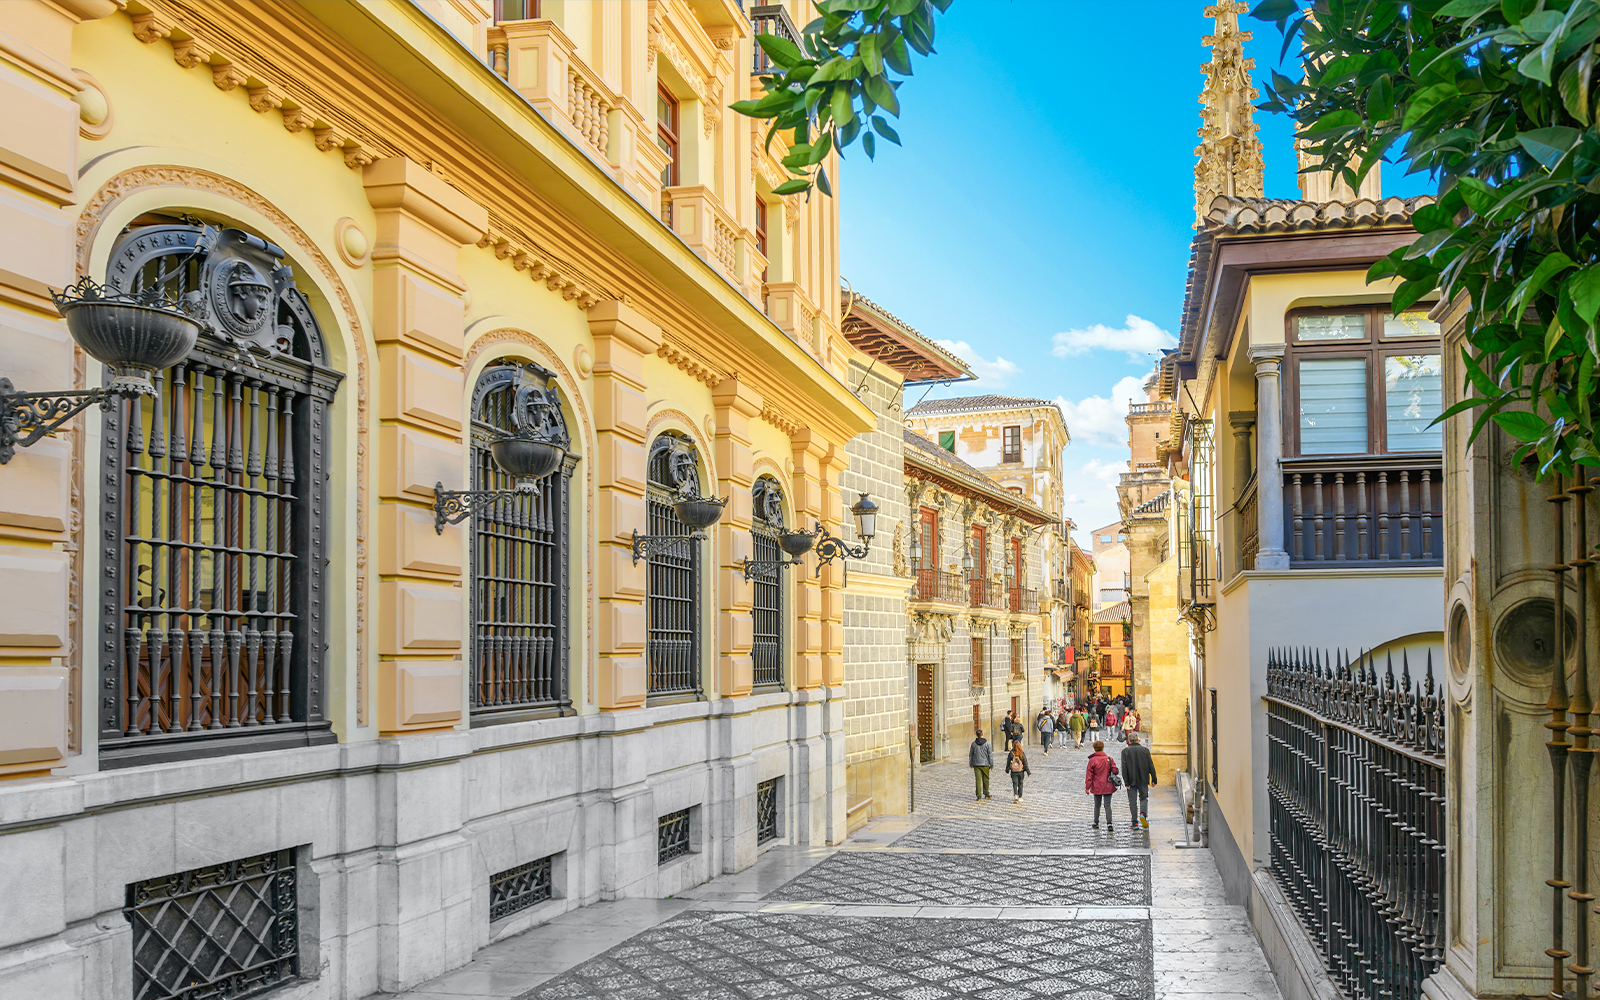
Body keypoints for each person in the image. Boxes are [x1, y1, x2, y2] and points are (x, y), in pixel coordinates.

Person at [1120, 732, 1157, 829]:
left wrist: (1126, 782)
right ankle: (1143, 814)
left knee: (1132, 801)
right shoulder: (1145, 750)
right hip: (1143, 778)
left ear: (1129, 741)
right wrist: (1154, 779)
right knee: (1144, 798)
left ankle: (1135, 823)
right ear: (1138, 740)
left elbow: (1124, 768)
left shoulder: (1125, 752)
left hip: (1131, 780)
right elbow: (1150, 765)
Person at [1085, 740, 1119, 830]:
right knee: (1107, 805)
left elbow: (1089, 775)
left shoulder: (1092, 760)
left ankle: (1096, 822)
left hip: (1097, 786)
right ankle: (1109, 823)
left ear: (1094, 748)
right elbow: (1116, 771)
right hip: (1108, 785)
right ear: (1103, 748)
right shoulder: (1109, 759)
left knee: (1097, 805)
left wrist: (1087, 787)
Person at [969, 728, 994, 801]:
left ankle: (979, 796)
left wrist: (971, 763)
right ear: (982, 735)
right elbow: (990, 755)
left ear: (976, 735)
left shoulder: (973, 744)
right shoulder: (987, 744)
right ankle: (986, 794)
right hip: (985, 764)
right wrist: (991, 764)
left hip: (976, 764)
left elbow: (971, 755)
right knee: (986, 779)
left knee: (978, 780)